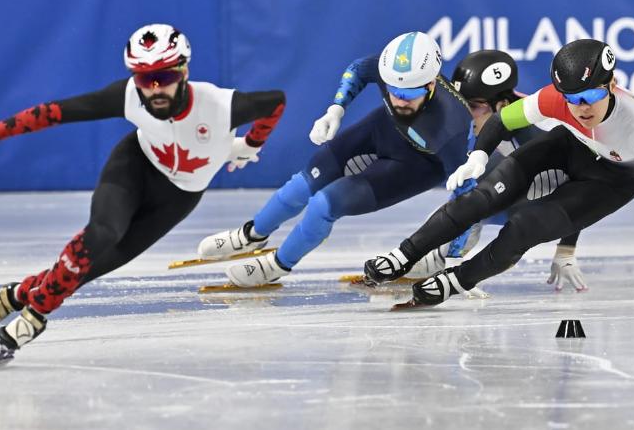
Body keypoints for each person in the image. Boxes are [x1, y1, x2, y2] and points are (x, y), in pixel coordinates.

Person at [0, 24, 286, 351]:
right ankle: (37, 313)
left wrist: (252, 143)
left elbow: (276, 101)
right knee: (102, 234)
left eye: (163, 77)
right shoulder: (129, 96)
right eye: (144, 79)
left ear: (184, 73)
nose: (154, 89)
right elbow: (56, 112)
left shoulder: (222, 106)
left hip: (178, 198)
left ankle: (17, 295)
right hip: (135, 166)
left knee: (92, 268)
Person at [364, 39, 634, 310]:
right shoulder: (556, 100)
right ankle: (401, 257)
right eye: (571, 99)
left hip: (616, 179)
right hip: (570, 148)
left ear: (612, 84)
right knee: (481, 196)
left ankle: (457, 280)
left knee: (526, 227)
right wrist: (477, 157)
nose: (581, 108)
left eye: (590, 96)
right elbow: (501, 121)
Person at [196, 31, 477, 288]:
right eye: (392, 91)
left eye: (409, 94)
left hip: (416, 166)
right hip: (383, 131)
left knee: (322, 205)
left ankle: (278, 265)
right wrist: (336, 109)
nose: (399, 100)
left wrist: (452, 256)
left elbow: (467, 199)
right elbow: (357, 69)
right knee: (301, 185)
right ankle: (252, 234)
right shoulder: (392, 70)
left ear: (430, 84)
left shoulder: (451, 125)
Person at [404, 50, 587, 292]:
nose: (465, 115)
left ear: (502, 105)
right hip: (523, 188)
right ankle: (428, 259)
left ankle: (457, 263)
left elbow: (579, 188)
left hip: (553, 199)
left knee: (487, 196)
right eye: (460, 104)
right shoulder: (485, 119)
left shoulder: (539, 132)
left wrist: (566, 251)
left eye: (472, 106)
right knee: (470, 191)